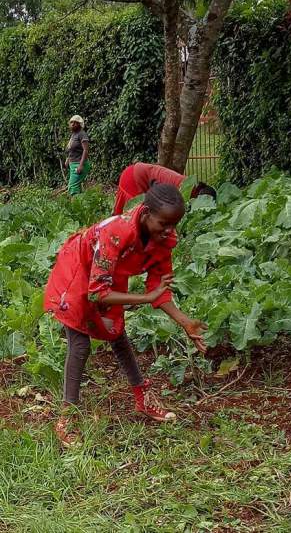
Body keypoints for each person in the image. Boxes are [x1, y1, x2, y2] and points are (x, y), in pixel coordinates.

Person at [43, 184, 208, 446]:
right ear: (145, 213)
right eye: (164, 223)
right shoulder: (116, 233)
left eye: (174, 224)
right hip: (77, 273)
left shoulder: (161, 242)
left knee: (117, 334)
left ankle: (143, 399)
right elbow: (97, 294)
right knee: (80, 344)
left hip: (107, 277)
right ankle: (68, 417)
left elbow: (159, 289)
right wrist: (144, 299)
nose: (170, 231)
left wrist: (185, 322)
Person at [113, 162, 216, 215]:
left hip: (135, 171)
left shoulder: (191, 185)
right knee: (131, 217)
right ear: (200, 196)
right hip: (133, 177)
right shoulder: (187, 190)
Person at [65, 115, 90, 196]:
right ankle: (80, 206)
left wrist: (81, 165)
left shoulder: (82, 134)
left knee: (73, 187)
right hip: (73, 165)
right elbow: (71, 149)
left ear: (79, 124)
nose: (73, 124)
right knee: (77, 187)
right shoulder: (73, 135)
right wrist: (68, 159)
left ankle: (74, 207)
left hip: (79, 164)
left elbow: (85, 150)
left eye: (75, 123)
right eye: (71, 122)